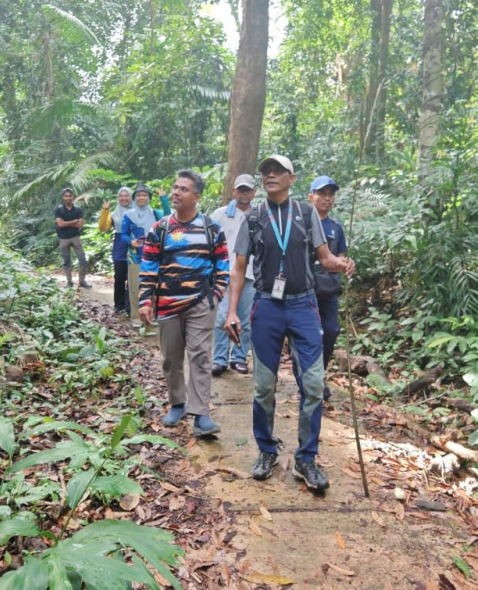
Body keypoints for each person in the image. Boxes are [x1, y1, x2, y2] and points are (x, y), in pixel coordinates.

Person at [225, 155, 355, 491]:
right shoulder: (253, 217)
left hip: (303, 305)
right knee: (263, 386)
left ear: (291, 178)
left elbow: (324, 258)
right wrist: (231, 311)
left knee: (312, 385)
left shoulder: (307, 212)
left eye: (277, 171)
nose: (269, 175)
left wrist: (341, 263)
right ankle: (266, 450)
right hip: (267, 305)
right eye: (266, 171)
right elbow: (238, 268)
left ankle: (306, 458)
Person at [138, 170, 230, 437]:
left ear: (197, 197)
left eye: (184, 189)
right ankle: (178, 403)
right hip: (167, 304)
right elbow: (149, 267)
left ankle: (201, 415)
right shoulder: (160, 228)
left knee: (200, 357)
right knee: (171, 359)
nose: (176, 192)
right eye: (175, 187)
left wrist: (216, 295)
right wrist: (146, 300)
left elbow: (223, 265)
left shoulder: (211, 227)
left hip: (201, 303)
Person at [211, 174, 257, 376]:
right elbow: (209, 241)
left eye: (248, 190)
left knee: (246, 319)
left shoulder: (258, 215)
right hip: (224, 273)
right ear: (234, 191)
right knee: (222, 316)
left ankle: (238, 357)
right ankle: (219, 358)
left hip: (251, 274)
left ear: (254, 192)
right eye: (241, 190)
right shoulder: (220, 214)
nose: (244, 193)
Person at [308, 176, 348, 400]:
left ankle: (319, 375)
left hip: (330, 290)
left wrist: (347, 265)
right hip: (307, 289)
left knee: (330, 331)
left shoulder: (336, 227)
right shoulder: (302, 222)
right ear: (311, 196)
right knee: (309, 334)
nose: (326, 198)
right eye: (322, 193)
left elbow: (340, 257)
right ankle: (310, 379)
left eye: (330, 194)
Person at [121, 184, 170, 327]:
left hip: (155, 256)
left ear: (149, 198)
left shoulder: (156, 214)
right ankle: (136, 317)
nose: (141, 198)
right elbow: (123, 235)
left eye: (144, 195)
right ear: (134, 198)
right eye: (139, 196)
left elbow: (169, 217)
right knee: (136, 286)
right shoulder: (128, 215)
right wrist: (131, 242)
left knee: (154, 286)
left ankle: (152, 315)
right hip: (135, 255)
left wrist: (164, 199)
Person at [98, 186, 134, 315]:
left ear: (131, 197)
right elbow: (103, 228)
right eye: (121, 196)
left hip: (135, 244)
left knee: (132, 277)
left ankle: (130, 305)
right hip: (119, 245)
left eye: (126, 195)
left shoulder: (138, 211)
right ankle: (119, 304)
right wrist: (105, 211)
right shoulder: (114, 214)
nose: (123, 198)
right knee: (119, 276)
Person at [54, 187, 91, 289]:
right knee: (66, 261)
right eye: (66, 196)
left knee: (82, 260)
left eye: (69, 196)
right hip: (63, 239)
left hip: (75, 237)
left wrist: (67, 223)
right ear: (63, 197)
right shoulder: (59, 210)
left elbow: (80, 225)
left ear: (72, 197)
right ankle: (69, 282)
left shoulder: (78, 210)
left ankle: (82, 281)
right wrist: (74, 221)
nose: (68, 198)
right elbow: (60, 224)